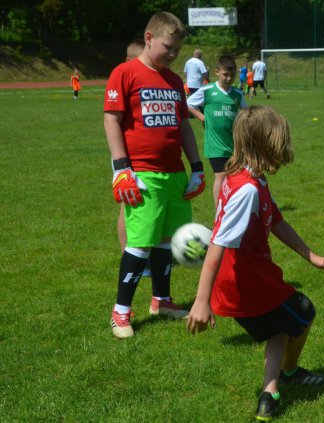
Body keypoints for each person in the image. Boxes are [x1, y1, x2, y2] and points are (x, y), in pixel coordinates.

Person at [187, 105, 324, 421]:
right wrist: (201, 302)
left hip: (249, 278)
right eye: (279, 144)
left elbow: (276, 221)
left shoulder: (247, 177)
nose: (284, 150)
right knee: (303, 313)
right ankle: (290, 372)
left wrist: (310, 255)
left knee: (279, 329)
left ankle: (269, 395)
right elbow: (216, 246)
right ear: (263, 146)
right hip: (246, 282)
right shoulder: (247, 191)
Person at [104, 11, 206, 339]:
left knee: (166, 242)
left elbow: (183, 126)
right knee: (140, 244)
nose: (173, 54)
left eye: (177, 49)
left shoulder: (175, 81)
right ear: (149, 38)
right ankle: (120, 312)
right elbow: (111, 120)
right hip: (143, 174)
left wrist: (197, 167)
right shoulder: (125, 73)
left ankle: (162, 301)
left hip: (174, 174)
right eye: (168, 47)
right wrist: (122, 169)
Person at [187, 55, 248, 213]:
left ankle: (232, 206)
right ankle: (219, 211)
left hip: (234, 143)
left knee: (234, 175)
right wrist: (201, 117)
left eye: (232, 75)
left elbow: (246, 113)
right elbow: (188, 103)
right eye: (225, 74)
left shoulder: (237, 94)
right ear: (217, 72)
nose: (228, 78)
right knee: (220, 175)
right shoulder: (207, 91)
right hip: (215, 144)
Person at [115, 38, 149, 254]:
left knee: (141, 203)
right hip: (126, 154)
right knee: (127, 203)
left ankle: (145, 250)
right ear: (128, 60)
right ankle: (127, 250)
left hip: (142, 155)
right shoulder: (124, 77)